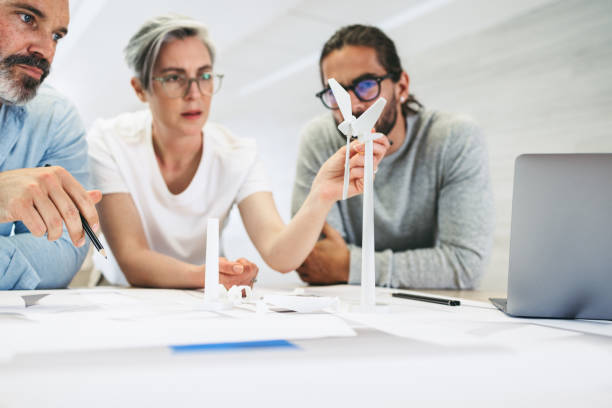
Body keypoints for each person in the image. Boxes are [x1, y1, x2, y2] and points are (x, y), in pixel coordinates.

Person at [88, 15, 389, 289]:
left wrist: (321, 194)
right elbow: (133, 259)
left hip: (202, 298)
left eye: (204, 76)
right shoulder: (110, 142)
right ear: (140, 88)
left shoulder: (237, 154)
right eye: (174, 78)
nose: (194, 93)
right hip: (124, 295)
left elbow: (280, 255)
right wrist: (207, 275)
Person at [292, 25, 495, 289]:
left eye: (366, 85)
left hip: (429, 312)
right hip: (346, 306)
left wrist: (347, 265)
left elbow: (465, 265)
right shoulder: (319, 139)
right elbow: (314, 257)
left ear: (402, 86)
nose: (352, 106)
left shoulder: (453, 138)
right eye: (335, 93)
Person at [0, 0, 101, 290]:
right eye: (26, 17)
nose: (46, 51)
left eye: (56, 35)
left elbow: (65, 248)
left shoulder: (55, 116)